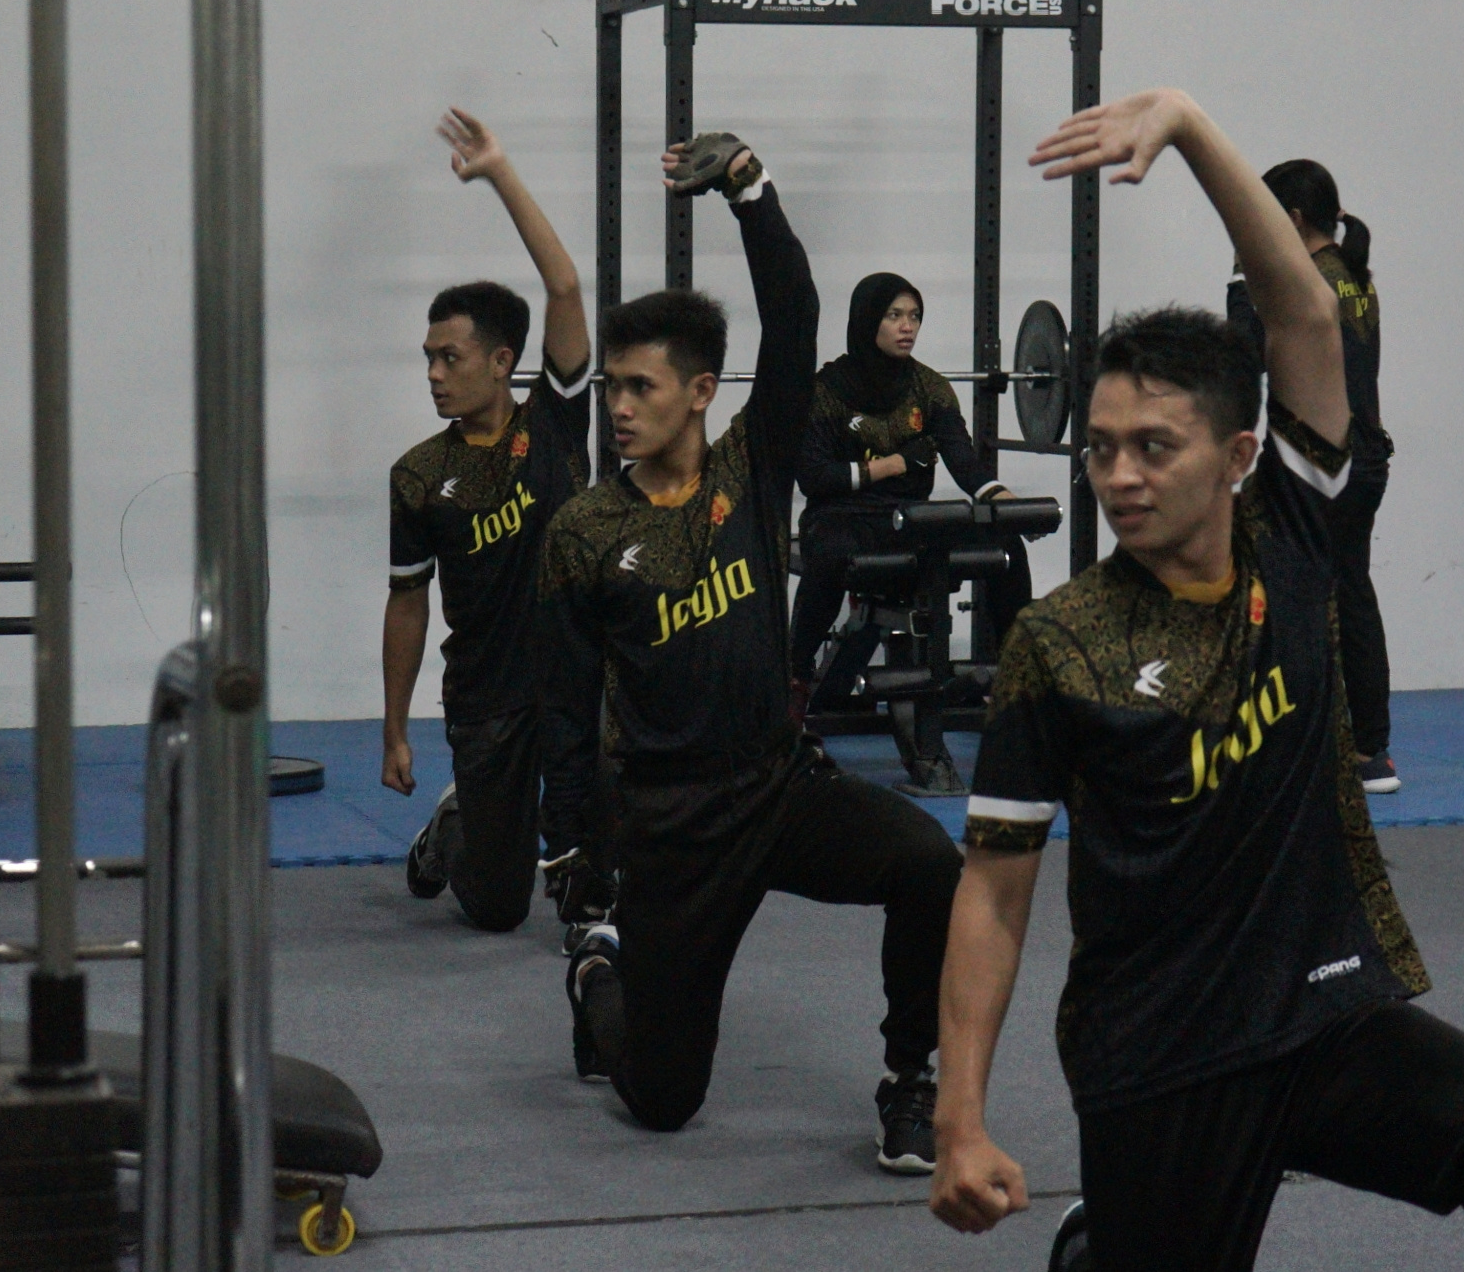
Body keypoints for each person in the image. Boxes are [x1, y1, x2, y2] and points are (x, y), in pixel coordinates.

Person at [930, 89, 1464, 1270]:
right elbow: (994, 893)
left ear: (1234, 457)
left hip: (1324, 1012)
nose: (1117, 476)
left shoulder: (1296, 533)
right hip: (1161, 1054)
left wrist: (1183, 124)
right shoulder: (1060, 642)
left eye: (1151, 448)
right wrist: (957, 1118)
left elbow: (1304, 315)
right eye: (1100, 447)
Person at [539, 133, 963, 1174]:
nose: (619, 407)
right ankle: (600, 977)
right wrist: (576, 847)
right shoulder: (585, 531)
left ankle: (910, 1080)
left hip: (778, 788)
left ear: (699, 391)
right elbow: (565, 699)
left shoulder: (752, 466)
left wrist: (749, 190)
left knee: (928, 865)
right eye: (612, 388)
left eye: (641, 388)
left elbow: (796, 315)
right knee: (664, 1101)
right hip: (671, 823)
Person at [383, 107, 607, 936]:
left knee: (608, 828)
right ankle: (457, 829)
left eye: (451, 358)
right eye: (429, 360)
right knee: (499, 908)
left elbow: (565, 288)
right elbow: (408, 602)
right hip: (486, 698)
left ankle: (591, 885)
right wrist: (394, 730)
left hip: (579, 676)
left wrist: (500, 173)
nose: (435, 375)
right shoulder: (418, 475)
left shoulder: (554, 422)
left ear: (503, 361)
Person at [790, 274, 1032, 718]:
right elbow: (816, 478)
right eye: (894, 315)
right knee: (829, 555)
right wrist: (895, 464)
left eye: (915, 316)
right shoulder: (824, 390)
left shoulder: (930, 388)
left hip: (910, 520)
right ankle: (795, 678)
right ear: (868, 321)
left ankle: (1017, 680)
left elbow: (965, 464)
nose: (908, 327)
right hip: (843, 517)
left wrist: (1005, 502)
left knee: (1007, 546)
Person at [1227, 161, 1397, 793]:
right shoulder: (1353, 277)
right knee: (1350, 592)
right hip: (1365, 458)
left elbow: (1241, 361)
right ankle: (1371, 754)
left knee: (1280, 594)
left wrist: (1240, 280)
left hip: (1326, 465)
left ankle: (1291, 747)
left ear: (1293, 219)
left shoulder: (1302, 283)